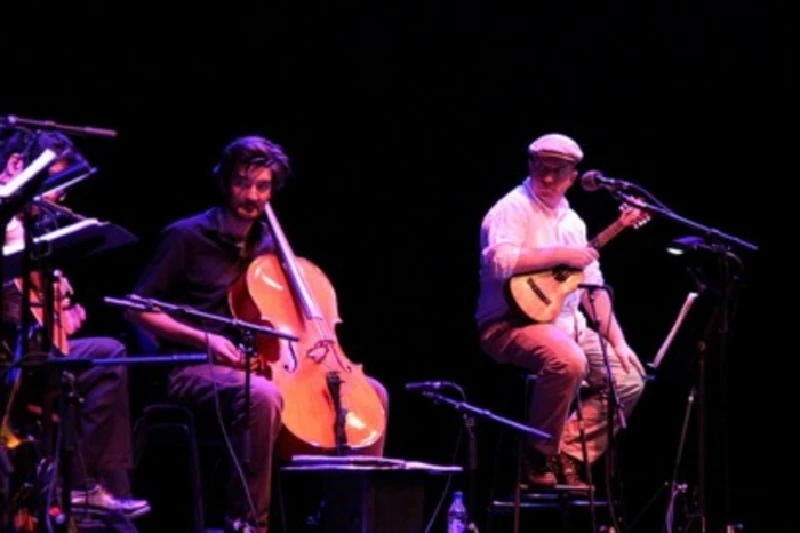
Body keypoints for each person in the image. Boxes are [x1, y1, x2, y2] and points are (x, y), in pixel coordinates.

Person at [126, 134, 389, 532]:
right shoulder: (185, 237)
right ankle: (249, 522)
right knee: (262, 395)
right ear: (224, 182)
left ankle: (352, 518)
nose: (251, 196)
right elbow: (136, 308)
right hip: (193, 365)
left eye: (262, 186)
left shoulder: (268, 243)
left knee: (374, 394)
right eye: (242, 183)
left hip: (260, 361)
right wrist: (207, 339)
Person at [475, 133, 645, 489]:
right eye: (541, 169)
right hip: (509, 324)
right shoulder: (512, 207)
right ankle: (538, 450)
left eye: (557, 171)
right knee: (568, 360)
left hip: (566, 324)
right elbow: (500, 263)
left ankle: (566, 451)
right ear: (530, 166)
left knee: (629, 379)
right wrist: (563, 255)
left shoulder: (574, 223)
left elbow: (592, 290)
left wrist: (619, 341)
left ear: (572, 176)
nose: (548, 179)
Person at [0, 127, 150, 516]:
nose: (61, 196)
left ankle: (86, 487)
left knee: (107, 355)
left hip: (36, 354)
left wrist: (61, 315)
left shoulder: (33, 224)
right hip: (10, 361)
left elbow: (42, 302)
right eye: (56, 182)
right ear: (17, 167)